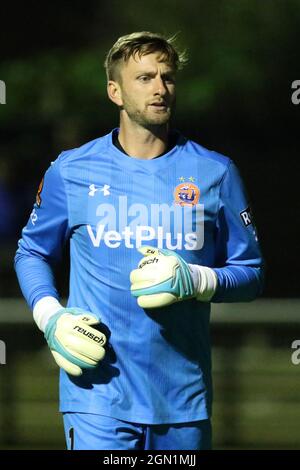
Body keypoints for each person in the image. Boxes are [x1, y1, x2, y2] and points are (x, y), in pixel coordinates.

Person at [14, 31, 264, 451]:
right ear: (115, 91)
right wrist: (50, 317)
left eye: (167, 77)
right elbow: (32, 251)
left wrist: (195, 280)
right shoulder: (71, 170)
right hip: (96, 395)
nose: (160, 88)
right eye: (144, 78)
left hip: (183, 402)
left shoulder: (216, 173)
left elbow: (251, 274)